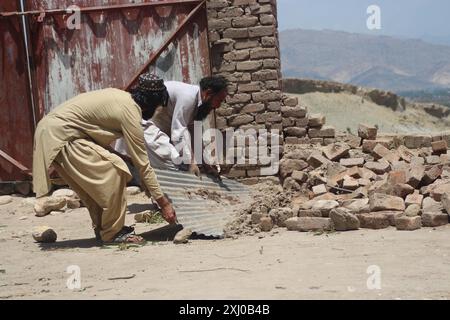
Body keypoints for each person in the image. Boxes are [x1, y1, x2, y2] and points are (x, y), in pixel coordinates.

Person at [32, 73, 177, 244]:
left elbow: (92, 130)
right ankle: (113, 233)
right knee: (114, 171)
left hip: (57, 134)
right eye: (159, 106)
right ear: (152, 102)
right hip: (61, 136)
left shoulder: (123, 99)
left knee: (96, 187)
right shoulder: (130, 112)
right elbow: (143, 164)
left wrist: (125, 159)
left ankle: (104, 228)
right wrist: (164, 203)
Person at [115, 75, 228, 177]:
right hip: (146, 125)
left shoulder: (199, 104)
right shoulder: (188, 98)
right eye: (219, 100)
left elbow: (194, 133)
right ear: (208, 93)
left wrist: (205, 164)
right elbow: (178, 132)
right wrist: (191, 163)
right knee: (169, 161)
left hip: (159, 127)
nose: (218, 106)